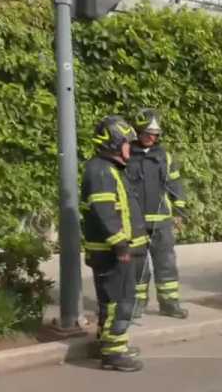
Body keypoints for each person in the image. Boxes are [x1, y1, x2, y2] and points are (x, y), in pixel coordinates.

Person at [81, 115, 147, 372]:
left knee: (110, 300)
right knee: (120, 300)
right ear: (114, 144)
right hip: (111, 251)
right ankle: (114, 353)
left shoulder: (106, 169)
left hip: (109, 249)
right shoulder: (100, 171)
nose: (131, 147)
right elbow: (105, 210)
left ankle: (107, 343)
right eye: (127, 143)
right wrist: (121, 245)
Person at [127, 108, 189, 319]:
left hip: (162, 222)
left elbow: (175, 185)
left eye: (155, 134)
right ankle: (137, 304)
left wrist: (179, 212)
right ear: (137, 131)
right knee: (138, 266)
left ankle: (170, 303)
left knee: (166, 265)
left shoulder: (165, 156)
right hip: (135, 223)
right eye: (147, 133)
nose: (152, 137)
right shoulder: (126, 156)